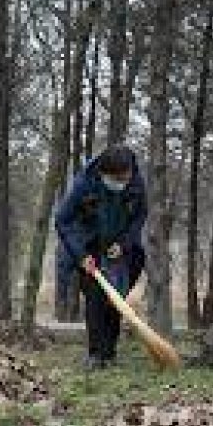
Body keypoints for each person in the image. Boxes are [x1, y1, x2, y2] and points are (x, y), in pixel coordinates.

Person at [55, 145, 147, 370]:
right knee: (96, 297)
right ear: (104, 174)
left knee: (116, 299)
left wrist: (124, 244)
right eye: (117, 178)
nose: (122, 182)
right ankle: (96, 354)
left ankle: (110, 352)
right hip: (89, 245)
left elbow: (139, 217)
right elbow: (63, 221)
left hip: (120, 246)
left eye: (125, 177)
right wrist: (81, 254)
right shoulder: (84, 184)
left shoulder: (135, 182)